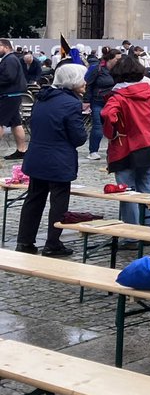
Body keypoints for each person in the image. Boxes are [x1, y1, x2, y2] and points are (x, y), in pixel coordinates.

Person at [15, 63, 87, 257]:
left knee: (34, 199)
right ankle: (52, 243)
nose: (85, 83)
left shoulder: (42, 98)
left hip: (37, 155)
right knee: (58, 203)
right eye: (82, 79)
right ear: (73, 81)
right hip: (58, 160)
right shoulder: (71, 104)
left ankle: (24, 241)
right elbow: (79, 137)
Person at [102, 54, 150, 226]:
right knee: (145, 189)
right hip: (148, 145)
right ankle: (147, 228)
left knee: (127, 193)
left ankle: (132, 235)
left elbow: (107, 114)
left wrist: (112, 133)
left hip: (124, 148)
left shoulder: (118, 97)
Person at [83, 47, 119, 160]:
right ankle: (93, 151)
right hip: (98, 101)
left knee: (114, 127)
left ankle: (113, 150)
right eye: (117, 59)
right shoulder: (97, 69)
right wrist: (86, 101)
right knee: (98, 127)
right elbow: (88, 85)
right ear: (110, 59)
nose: (120, 61)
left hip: (113, 102)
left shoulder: (119, 71)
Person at [0, 38, 30, 159]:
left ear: (5, 47)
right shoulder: (10, 59)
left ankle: (22, 150)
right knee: (16, 123)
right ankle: (22, 150)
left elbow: (9, 77)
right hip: (12, 95)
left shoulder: (10, 59)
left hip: (9, 95)